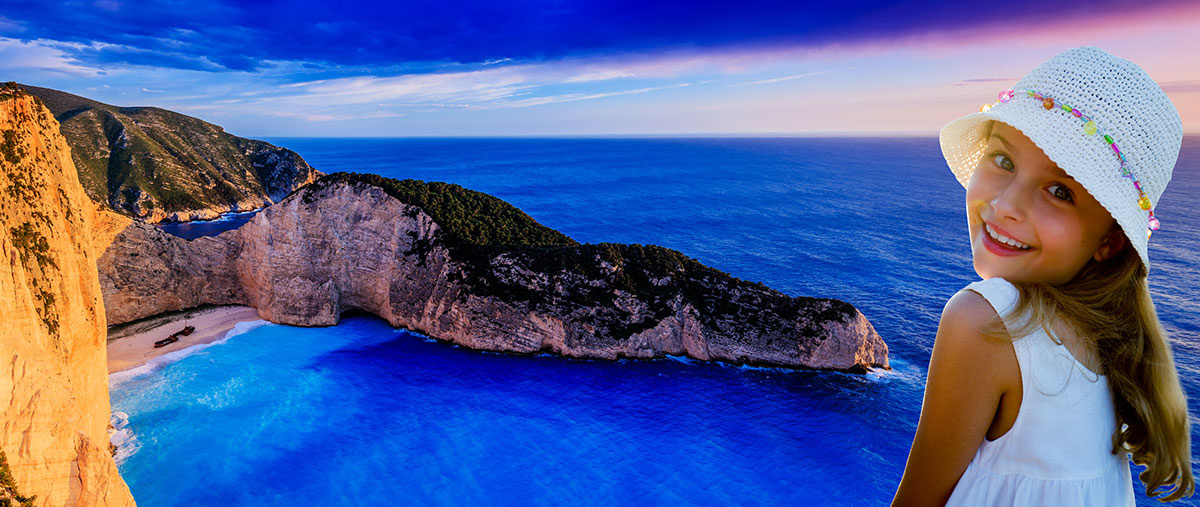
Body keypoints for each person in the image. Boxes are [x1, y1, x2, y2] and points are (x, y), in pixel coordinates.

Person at [891, 46, 1193, 505]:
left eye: (1059, 191)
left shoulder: (984, 321)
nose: (1007, 205)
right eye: (1003, 161)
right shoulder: (1109, 346)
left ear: (1109, 241)